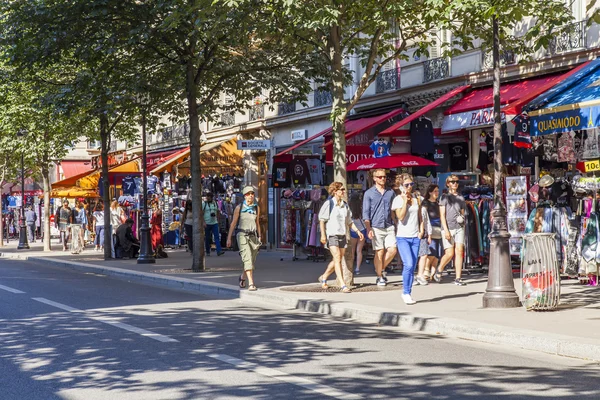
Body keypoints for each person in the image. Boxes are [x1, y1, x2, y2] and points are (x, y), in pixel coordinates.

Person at [318, 182, 364, 293]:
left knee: (336, 259)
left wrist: (358, 231)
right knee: (338, 257)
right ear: (335, 191)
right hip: (332, 234)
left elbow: (349, 222)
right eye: (341, 189)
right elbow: (322, 220)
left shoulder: (345, 205)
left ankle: (324, 277)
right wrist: (323, 235)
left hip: (342, 234)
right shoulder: (329, 204)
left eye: (344, 189)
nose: (343, 191)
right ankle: (343, 284)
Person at [391, 174, 423, 305]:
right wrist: (404, 201)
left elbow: (420, 215)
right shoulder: (398, 199)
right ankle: (405, 292)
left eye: (411, 184)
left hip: (415, 236)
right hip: (403, 236)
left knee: (412, 266)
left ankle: (408, 292)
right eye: (406, 185)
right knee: (408, 264)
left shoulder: (417, 198)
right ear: (400, 186)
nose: (409, 187)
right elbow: (401, 217)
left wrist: (421, 230)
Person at [363, 168, 397, 286]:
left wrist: (396, 223)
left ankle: (380, 269)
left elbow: (393, 210)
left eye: (384, 177)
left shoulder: (390, 192)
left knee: (393, 250)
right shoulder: (369, 193)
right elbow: (366, 214)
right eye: (380, 177)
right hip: (376, 226)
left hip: (389, 225)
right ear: (374, 179)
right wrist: (368, 229)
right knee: (379, 252)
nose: (383, 179)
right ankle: (379, 276)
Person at [434, 175, 467, 286]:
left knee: (459, 251)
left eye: (457, 182)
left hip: (459, 227)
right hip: (448, 227)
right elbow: (442, 215)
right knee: (449, 253)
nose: (455, 184)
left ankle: (458, 278)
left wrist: (463, 223)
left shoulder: (461, 198)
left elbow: (462, 213)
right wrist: (446, 230)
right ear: (448, 183)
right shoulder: (444, 197)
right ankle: (439, 269)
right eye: (452, 182)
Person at [227, 186, 261, 291]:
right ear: (245, 196)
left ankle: (242, 278)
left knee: (251, 259)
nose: (251, 196)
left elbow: (257, 223)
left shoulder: (256, 208)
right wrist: (229, 238)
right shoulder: (239, 208)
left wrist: (260, 236)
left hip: (253, 236)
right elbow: (233, 223)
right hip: (242, 235)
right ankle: (251, 283)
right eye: (249, 194)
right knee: (247, 257)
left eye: (252, 194)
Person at [418, 185, 443, 282]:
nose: (437, 193)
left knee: (437, 253)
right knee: (431, 251)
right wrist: (425, 230)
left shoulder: (438, 203)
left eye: (437, 191)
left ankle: (433, 272)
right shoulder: (426, 203)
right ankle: (426, 270)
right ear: (430, 192)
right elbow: (423, 217)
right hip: (430, 228)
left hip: (439, 228)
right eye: (435, 191)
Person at [349, 193, 367, 275]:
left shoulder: (349, 209)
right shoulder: (361, 209)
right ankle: (357, 268)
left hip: (353, 230)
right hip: (362, 230)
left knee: (352, 250)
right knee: (359, 250)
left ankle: (351, 267)